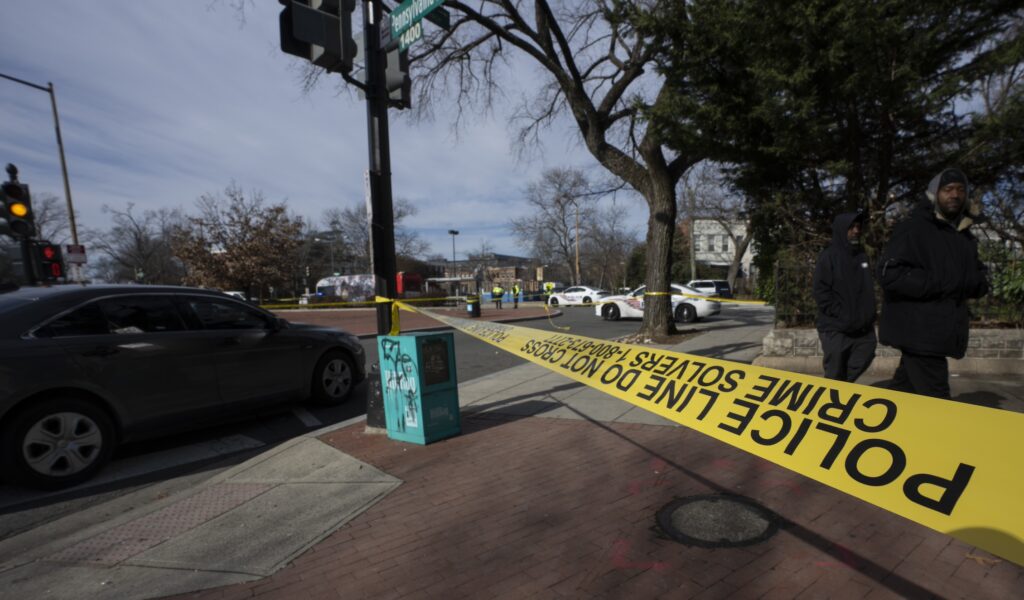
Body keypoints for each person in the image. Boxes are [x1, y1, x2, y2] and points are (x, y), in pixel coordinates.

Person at [877, 167, 989, 399]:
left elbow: (974, 276)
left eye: (960, 190)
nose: (955, 195)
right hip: (919, 331)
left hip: (940, 331)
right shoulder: (914, 229)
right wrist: (940, 283)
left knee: (903, 395)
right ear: (934, 194)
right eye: (948, 190)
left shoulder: (963, 236)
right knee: (938, 402)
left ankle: (889, 429)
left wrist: (978, 283)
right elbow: (889, 273)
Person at [812, 211, 877, 382]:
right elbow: (820, 291)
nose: (856, 231)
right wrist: (841, 313)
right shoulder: (829, 256)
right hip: (836, 328)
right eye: (851, 227)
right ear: (842, 229)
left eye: (858, 227)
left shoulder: (862, 256)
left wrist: (869, 314)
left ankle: (843, 388)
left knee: (866, 353)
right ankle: (831, 400)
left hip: (862, 329)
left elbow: (867, 288)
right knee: (834, 373)